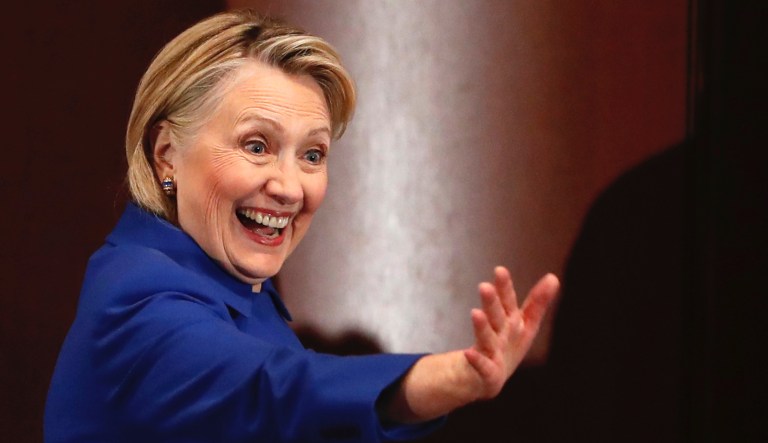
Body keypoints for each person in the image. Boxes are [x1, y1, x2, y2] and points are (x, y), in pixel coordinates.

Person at [44, 10, 559, 443]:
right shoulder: (136, 296)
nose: (290, 187)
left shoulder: (239, 287)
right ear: (166, 155)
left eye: (312, 154)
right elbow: (273, 389)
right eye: (256, 146)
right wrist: (448, 376)